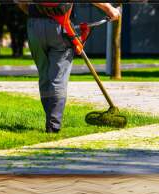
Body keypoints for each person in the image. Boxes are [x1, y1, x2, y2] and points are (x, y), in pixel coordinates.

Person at [20, 3, 120, 133]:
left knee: (44, 75)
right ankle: (53, 125)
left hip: (34, 26)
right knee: (58, 78)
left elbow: (20, 2)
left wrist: (35, 14)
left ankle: (50, 119)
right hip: (60, 26)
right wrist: (109, 9)